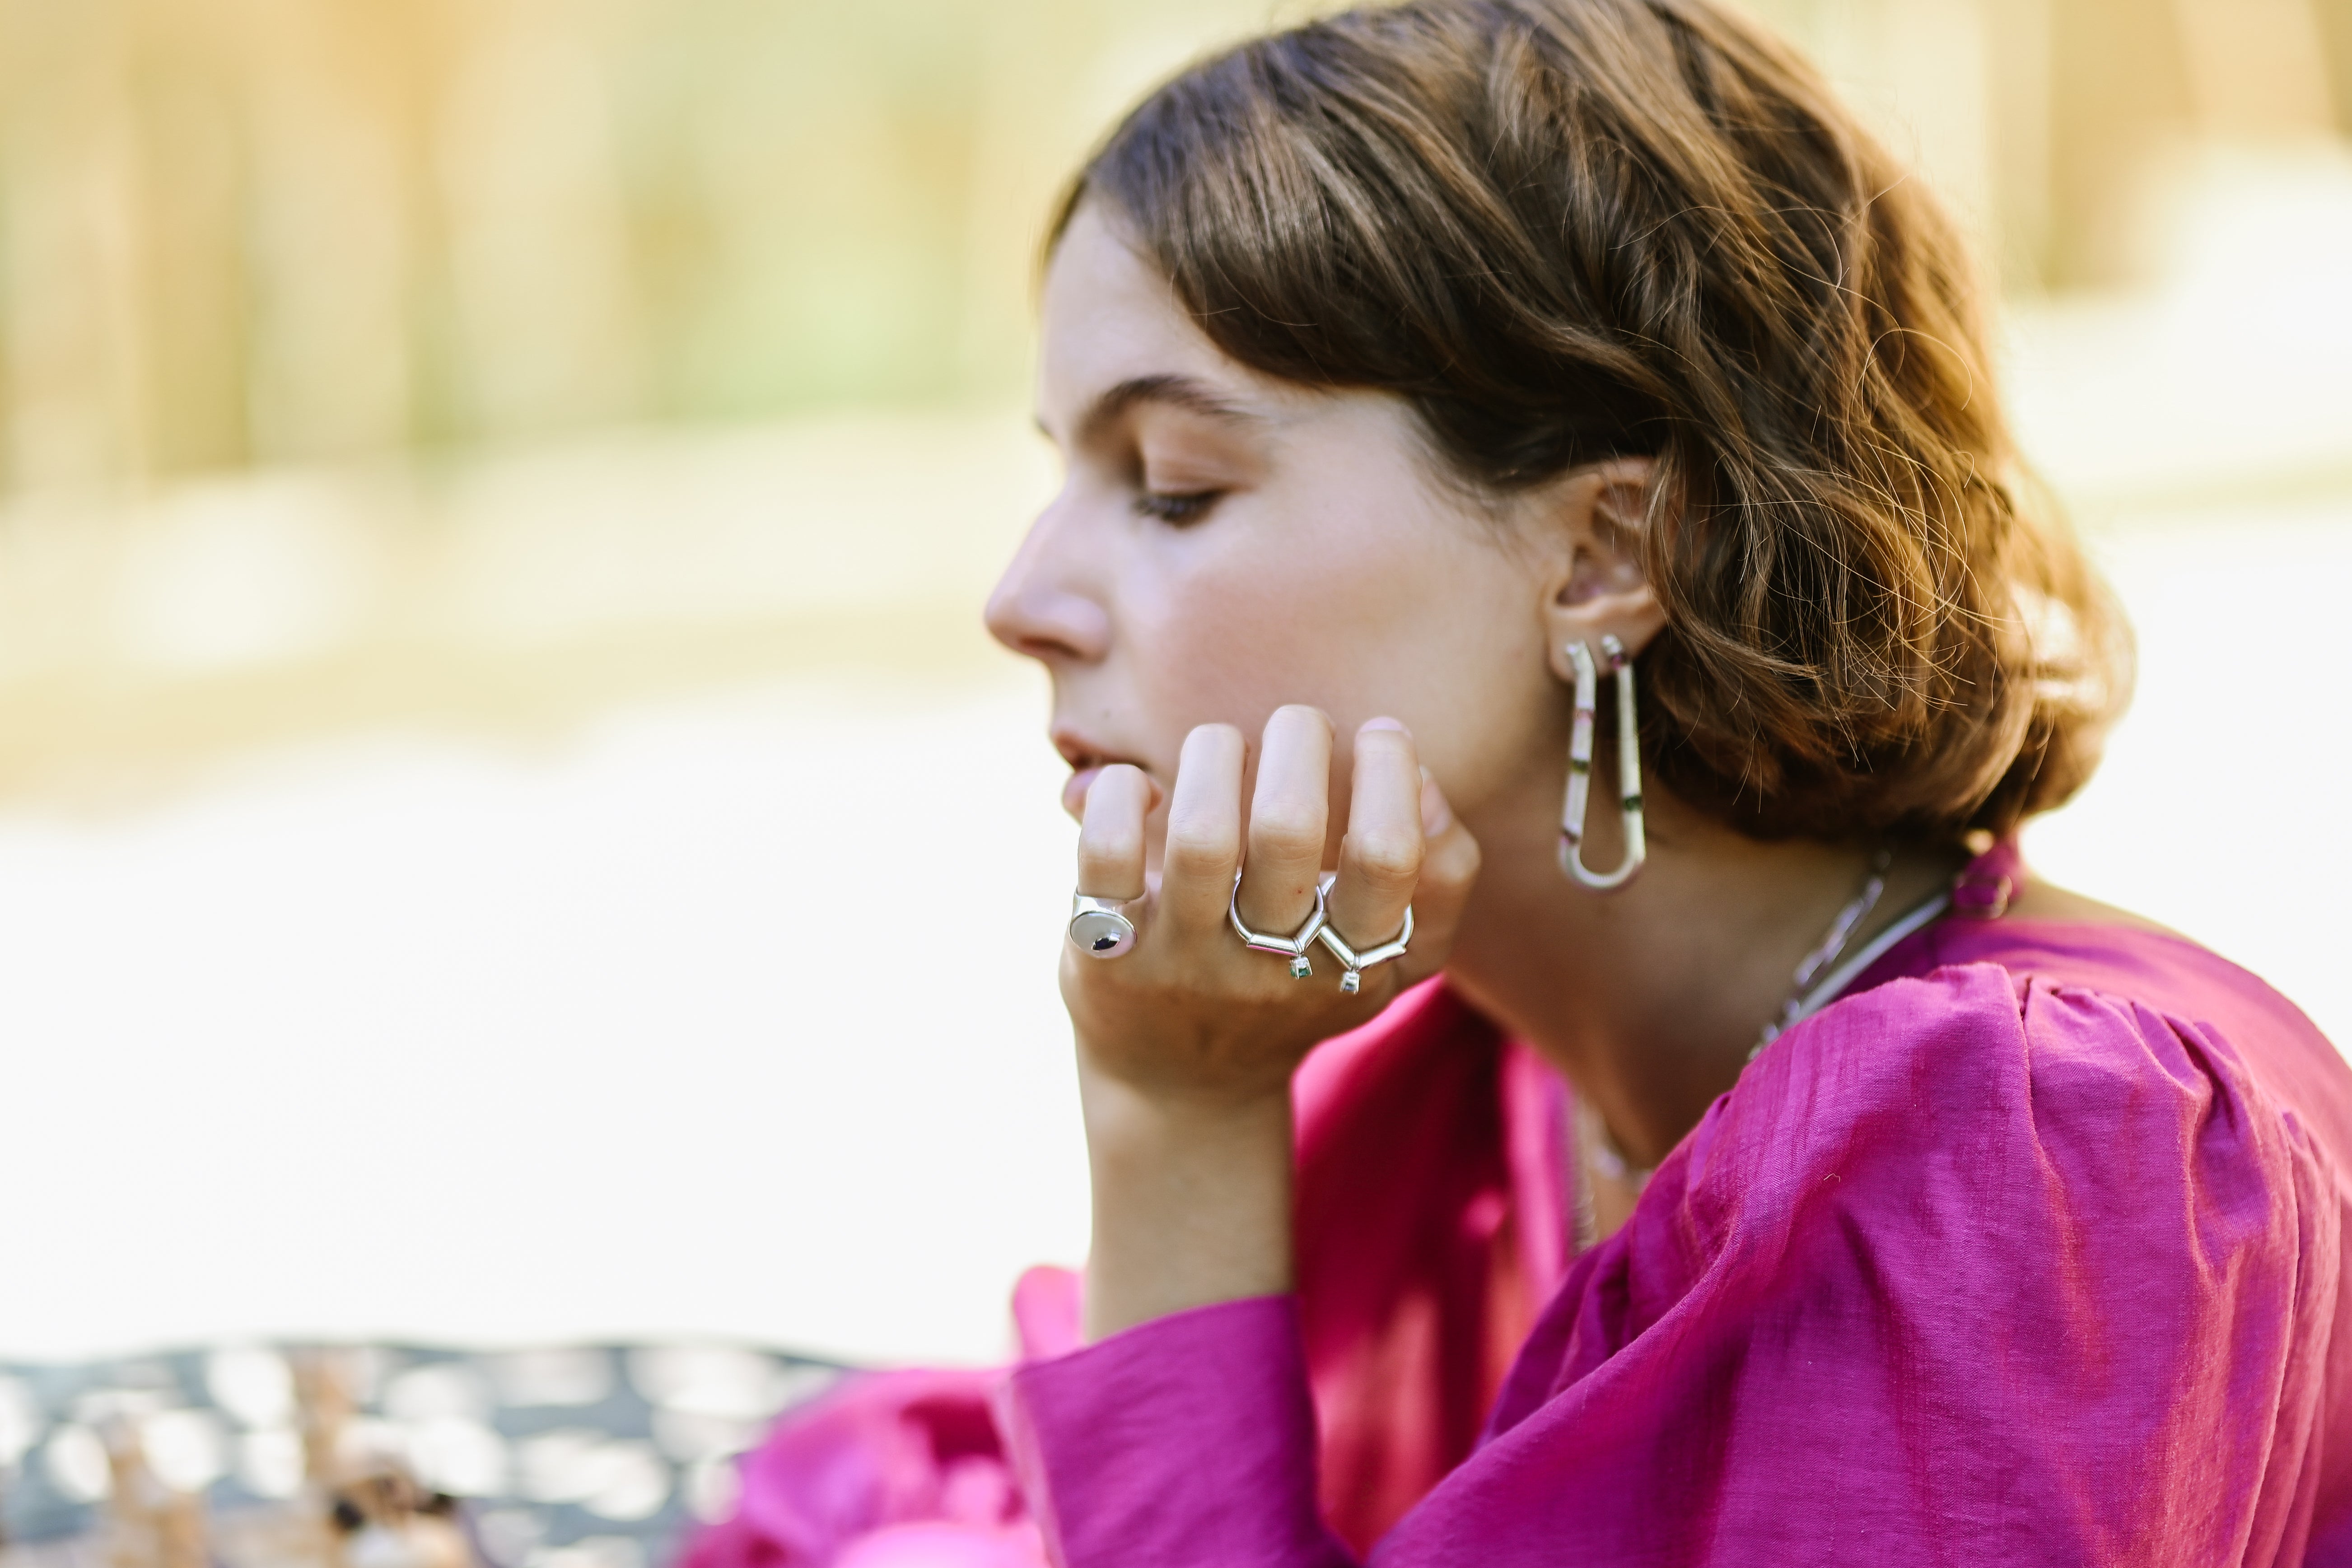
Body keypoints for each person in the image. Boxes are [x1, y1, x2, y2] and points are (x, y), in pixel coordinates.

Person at [681, 0, 2352, 1562]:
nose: (1021, 600)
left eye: (1175, 486)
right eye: (1062, 475)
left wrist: (1174, 1129)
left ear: (1603, 553)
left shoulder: (2042, 1157)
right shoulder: (1479, 1076)